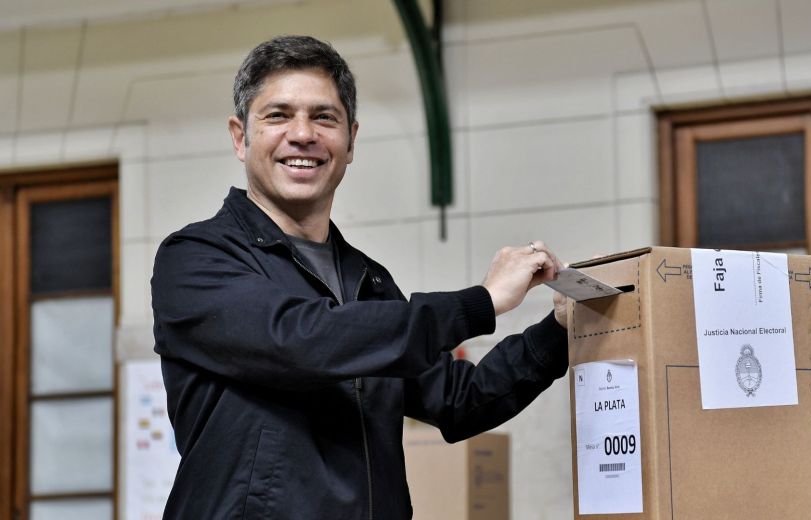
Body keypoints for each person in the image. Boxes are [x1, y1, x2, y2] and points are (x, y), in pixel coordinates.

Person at [151, 35, 569, 519]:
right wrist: (480, 301)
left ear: (350, 141)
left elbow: (459, 400)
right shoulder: (197, 259)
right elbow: (302, 340)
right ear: (241, 137)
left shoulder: (368, 281)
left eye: (323, 117)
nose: (303, 134)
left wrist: (558, 330)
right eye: (278, 115)